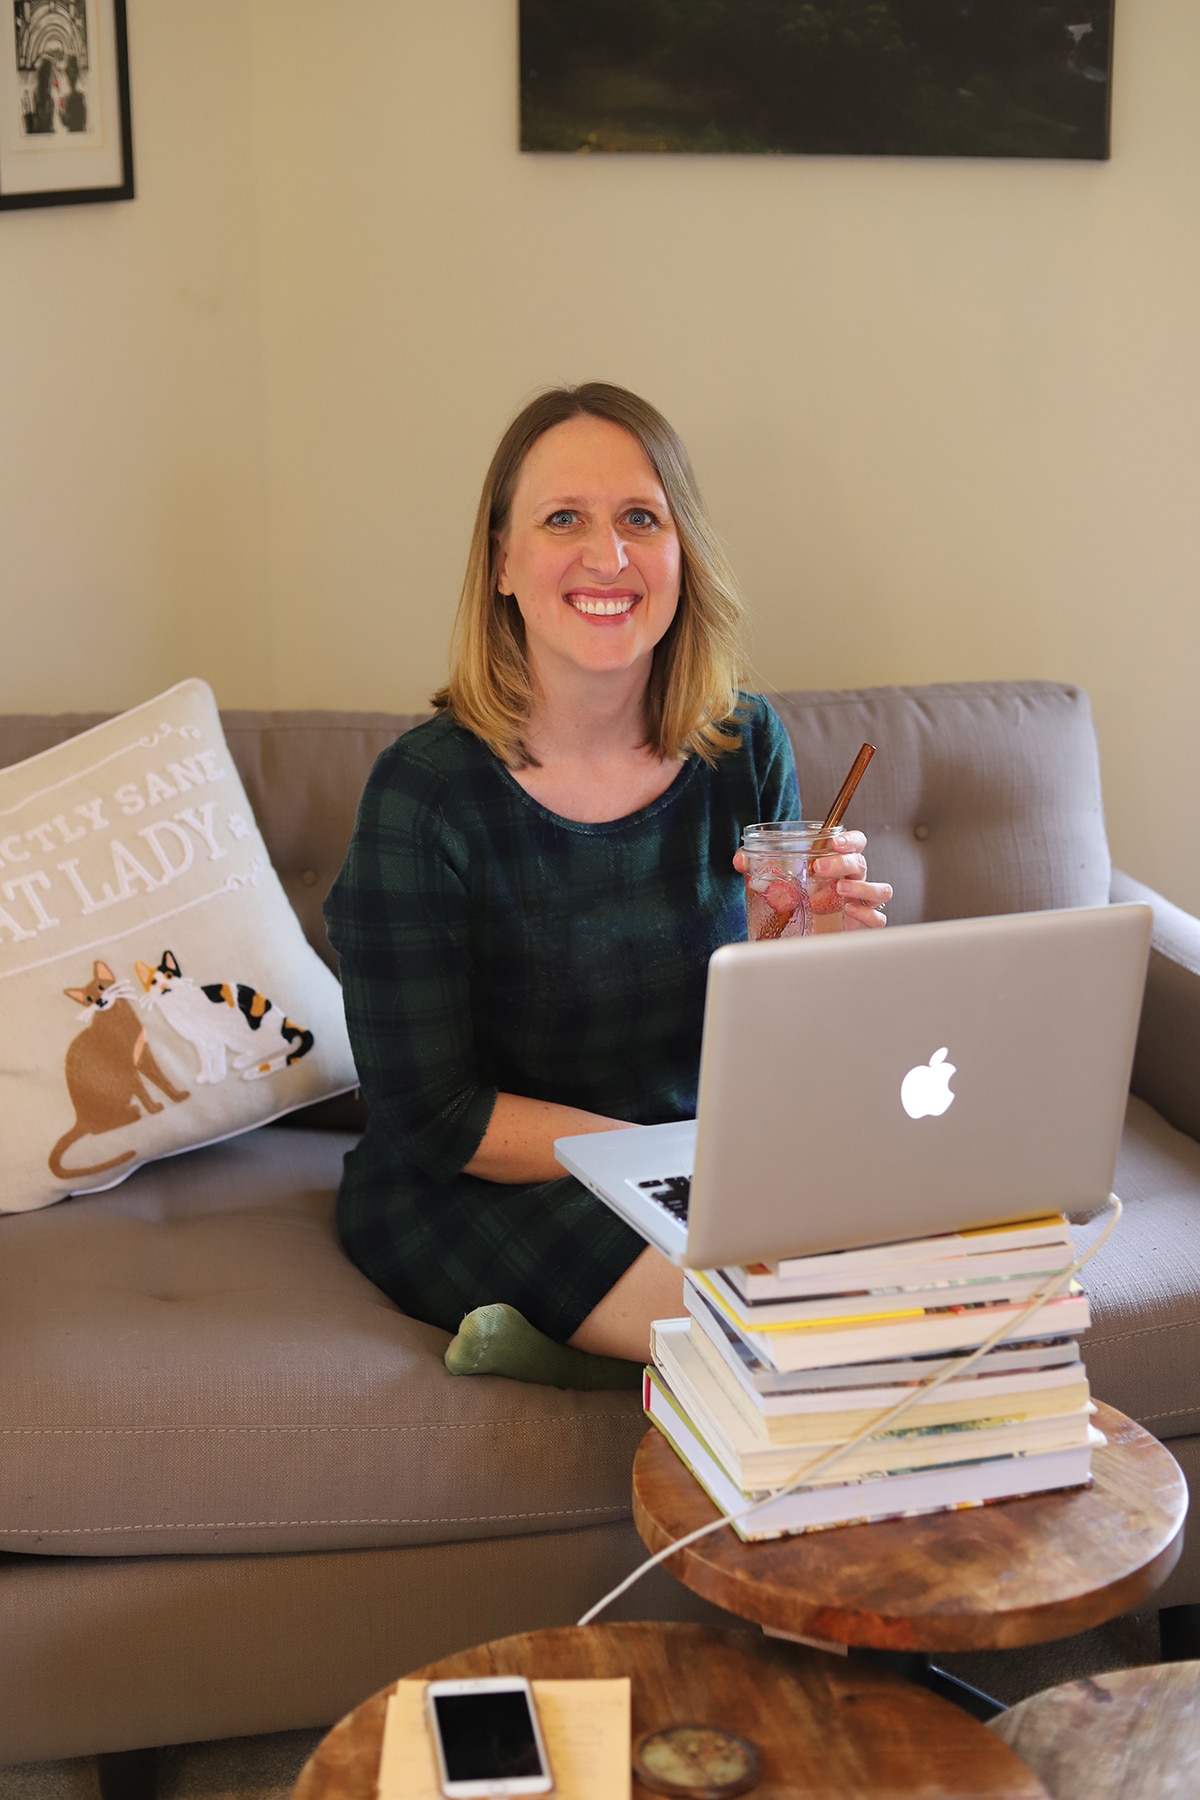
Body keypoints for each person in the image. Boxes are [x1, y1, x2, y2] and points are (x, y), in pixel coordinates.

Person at [325, 383, 891, 1382]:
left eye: (642, 518)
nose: (610, 555)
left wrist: (806, 945)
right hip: (482, 1181)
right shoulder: (423, 795)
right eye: (562, 520)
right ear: (502, 562)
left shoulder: (742, 741)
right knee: (785, 1334)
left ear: (683, 555)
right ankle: (581, 1341)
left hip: (697, 1165)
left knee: (923, 1279)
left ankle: (564, 1347)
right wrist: (680, 1164)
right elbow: (436, 1118)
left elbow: (779, 1038)